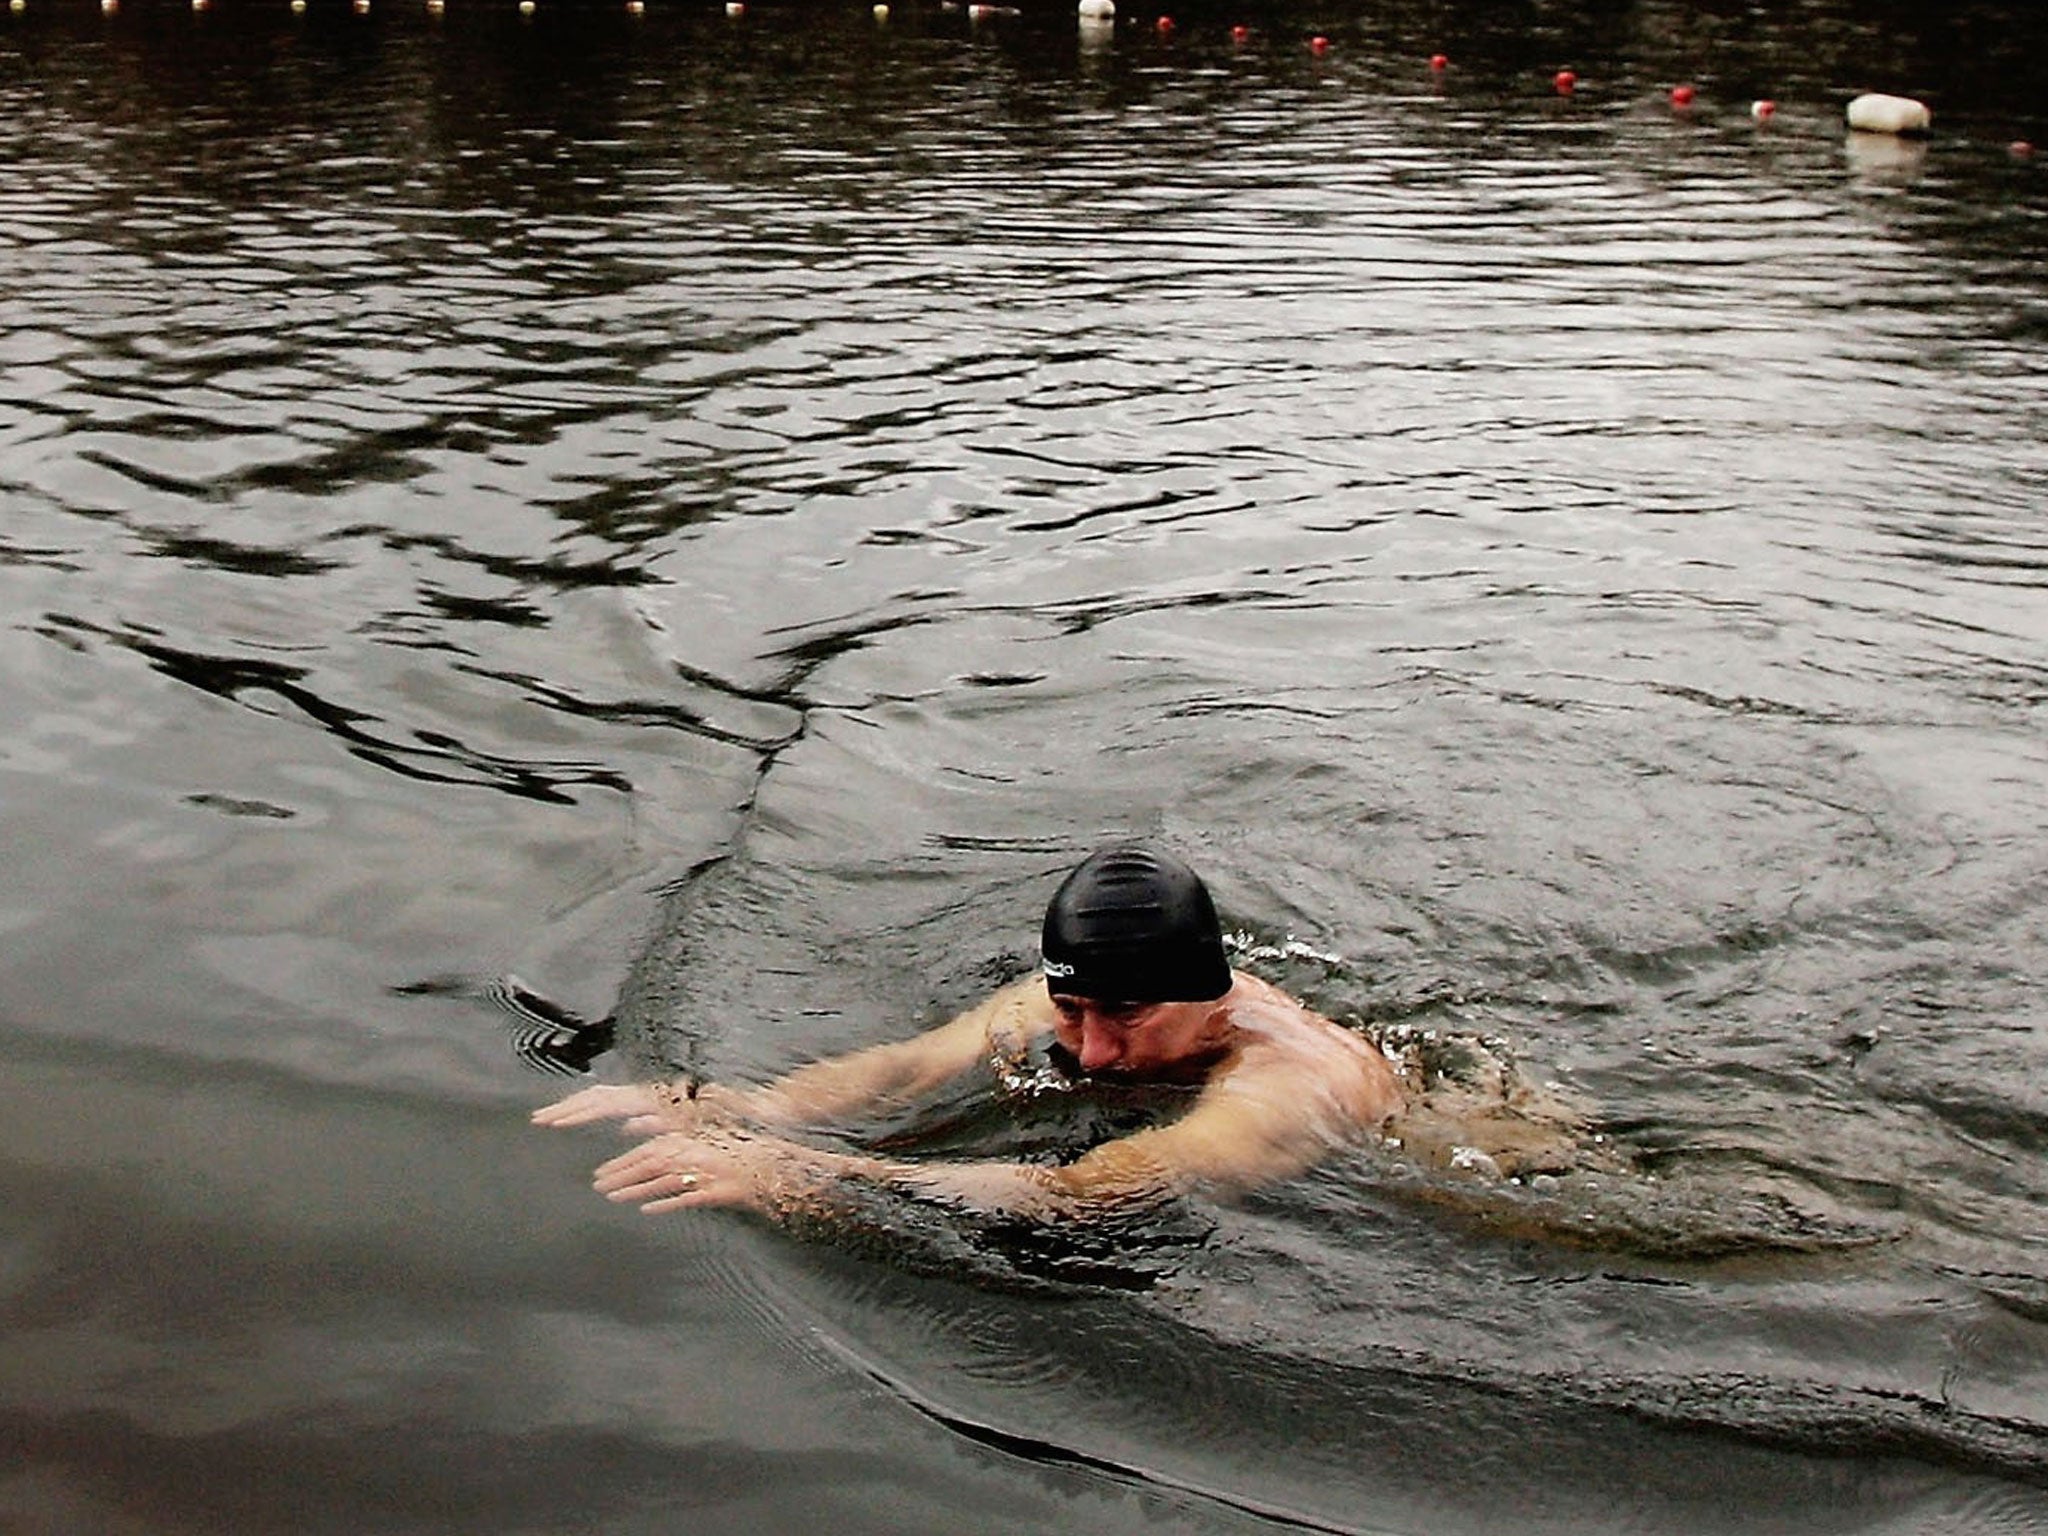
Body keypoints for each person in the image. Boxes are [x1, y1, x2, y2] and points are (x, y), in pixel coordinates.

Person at [534, 845, 1414, 1222]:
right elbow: (909, 1066)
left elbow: (1088, 1193)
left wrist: (799, 1174)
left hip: (1444, 1157)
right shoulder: (1079, 1000)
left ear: (1207, 996)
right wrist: (739, 1108)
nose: (1092, 1050)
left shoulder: (1288, 1083)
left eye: (1127, 1017)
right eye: (1073, 1013)